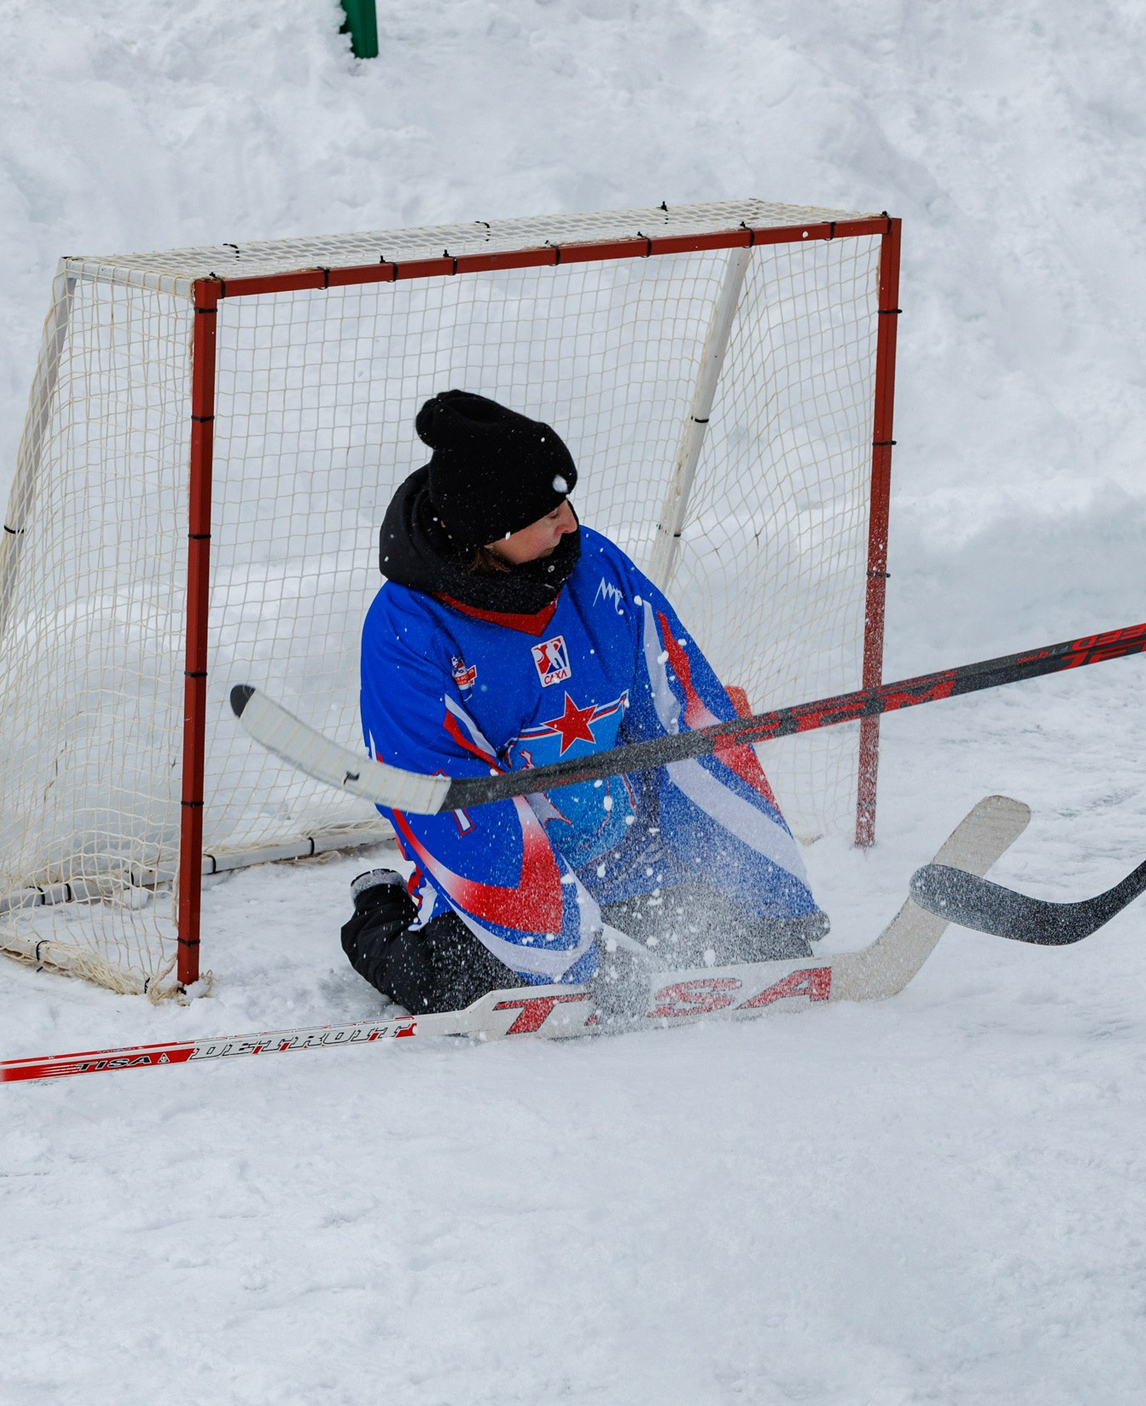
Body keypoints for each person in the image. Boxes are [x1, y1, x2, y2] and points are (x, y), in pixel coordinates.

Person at [339, 391, 827, 1016]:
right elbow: (449, 803)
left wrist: (769, 898)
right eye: (547, 514)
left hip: (626, 852)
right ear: (492, 535)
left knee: (721, 934)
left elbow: (689, 724)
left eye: (565, 501)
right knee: (462, 988)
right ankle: (376, 908)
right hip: (504, 861)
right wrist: (580, 951)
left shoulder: (596, 567)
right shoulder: (409, 630)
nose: (569, 522)